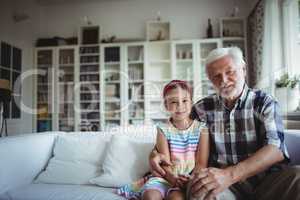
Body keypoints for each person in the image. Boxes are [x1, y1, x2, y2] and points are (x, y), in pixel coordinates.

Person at [149, 47, 300, 200]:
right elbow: (177, 133)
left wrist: (230, 174)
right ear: (210, 80)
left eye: (230, 72)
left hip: (268, 181)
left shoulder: (264, 102)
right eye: (216, 76)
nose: (224, 81)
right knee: (201, 193)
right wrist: (154, 154)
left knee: (297, 176)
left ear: (243, 69)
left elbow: (276, 149)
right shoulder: (202, 108)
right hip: (223, 186)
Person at [117, 80, 210, 200]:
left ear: (191, 102)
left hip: (186, 180)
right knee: (150, 196)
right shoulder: (163, 129)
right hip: (165, 177)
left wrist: (191, 180)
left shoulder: (202, 129)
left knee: (176, 198)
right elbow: (164, 162)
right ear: (166, 105)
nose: (180, 106)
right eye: (173, 102)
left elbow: (201, 164)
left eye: (185, 101)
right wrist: (172, 178)